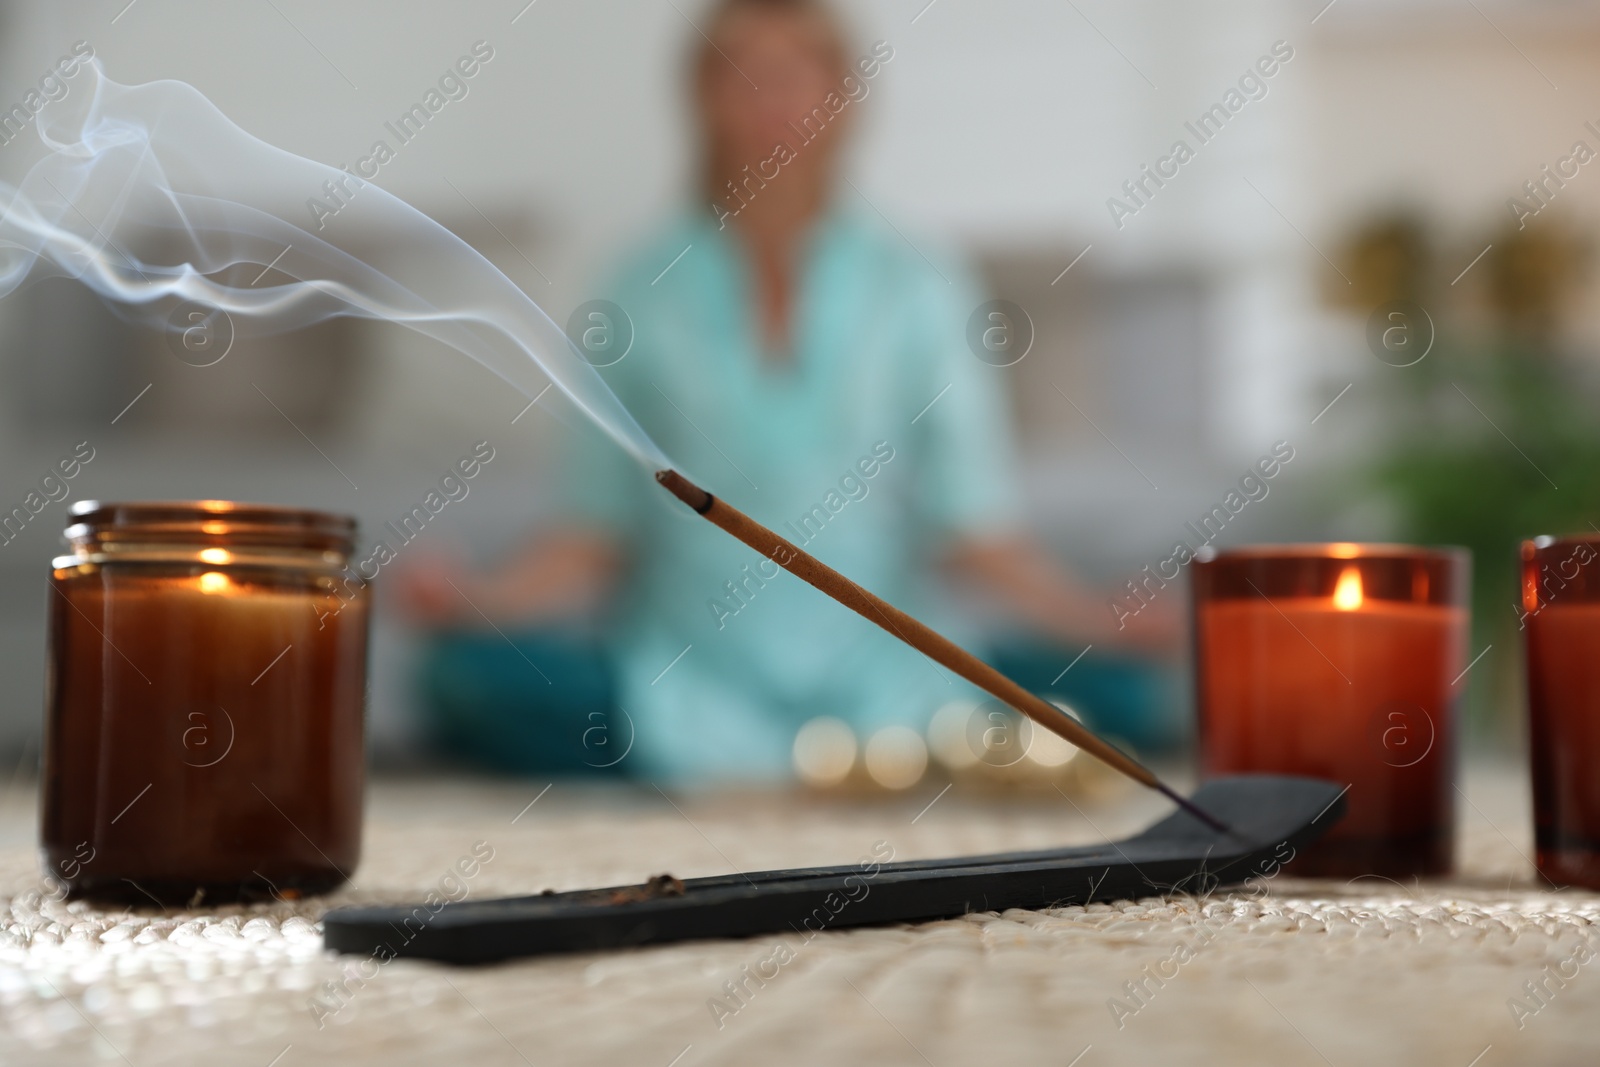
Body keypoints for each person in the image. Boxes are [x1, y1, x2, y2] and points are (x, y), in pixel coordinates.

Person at [396, 0, 1175, 782]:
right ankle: (837, 762)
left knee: (1135, 693)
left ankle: (867, 751)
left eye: (793, 72)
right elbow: (592, 537)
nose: (769, 96)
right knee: (456, 677)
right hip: (684, 681)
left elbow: (974, 531)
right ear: (700, 95)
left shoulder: (919, 284)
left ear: (842, 98)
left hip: (895, 679)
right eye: (742, 72)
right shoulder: (637, 289)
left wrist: (1096, 621)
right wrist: (475, 603)